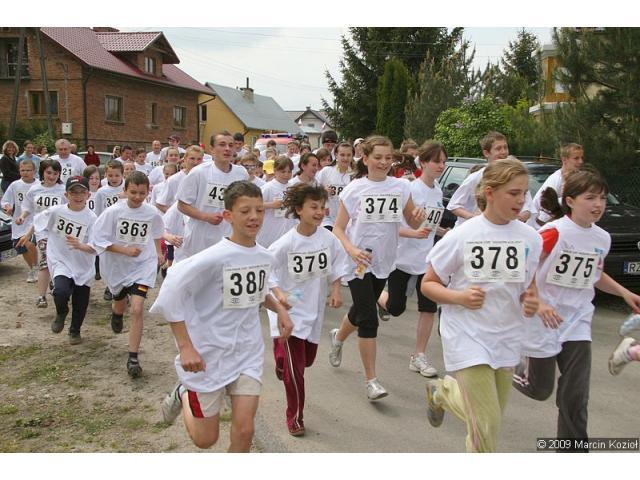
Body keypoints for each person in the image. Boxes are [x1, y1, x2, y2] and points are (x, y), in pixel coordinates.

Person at [150, 181, 294, 452]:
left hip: (247, 352)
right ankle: (183, 392)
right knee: (206, 439)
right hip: (208, 353)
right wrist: (185, 346)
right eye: (245, 211)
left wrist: (281, 310)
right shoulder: (211, 258)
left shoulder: (264, 256)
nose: (254, 217)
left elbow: (257, 290)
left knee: (245, 430)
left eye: (259, 210)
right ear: (228, 216)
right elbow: (170, 291)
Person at [513, 168, 640, 450]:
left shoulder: (602, 238)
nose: (598, 205)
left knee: (576, 396)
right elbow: (523, 269)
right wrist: (538, 302)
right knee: (539, 389)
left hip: (578, 321)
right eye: (590, 198)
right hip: (543, 319)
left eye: (603, 198)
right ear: (570, 201)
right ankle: (506, 365)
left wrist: (624, 293)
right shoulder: (553, 233)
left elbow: (594, 273)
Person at [421, 157, 542, 453]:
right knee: (487, 424)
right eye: (513, 193)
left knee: (486, 421)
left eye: (524, 193)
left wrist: (531, 300)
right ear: (490, 192)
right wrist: (460, 297)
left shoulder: (531, 238)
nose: (521, 200)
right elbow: (428, 283)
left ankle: (442, 392)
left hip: (507, 335)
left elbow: (528, 285)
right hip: (468, 334)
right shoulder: (463, 234)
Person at [328, 135, 427, 400]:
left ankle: (338, 337)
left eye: (388, 157)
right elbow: (338, 228)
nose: (383, 162)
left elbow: (411, 222)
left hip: (384, 261)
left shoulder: (401, 187)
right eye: (378, 157)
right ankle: (371, 381)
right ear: (365, 158)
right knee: (369, 319)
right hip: (358, 262)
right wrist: (351, 250)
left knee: (360, 311)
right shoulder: (355, 189)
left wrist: (418, 218)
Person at [268, 183, 347, 435]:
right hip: (290, 310)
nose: (320, 212)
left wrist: (336, 290)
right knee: (296, 372)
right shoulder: (286, 243)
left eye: (322, 207)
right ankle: (295, 417)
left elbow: (338, 263)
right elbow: (266, 269)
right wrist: (279, 294)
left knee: (307, 361)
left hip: (313, 307)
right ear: (299, 209)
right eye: (313, 207)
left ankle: (281, 357)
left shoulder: (328, 238)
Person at [376, 141, 448, 378]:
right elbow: (392, 225)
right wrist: (414, 233)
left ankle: (419, 356)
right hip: (403, 257)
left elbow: (430, 225)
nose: (441, 165)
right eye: (436, 161)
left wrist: (445, 233)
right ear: (423, 162)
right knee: (396, 308)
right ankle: (378, 296)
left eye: (444, 161)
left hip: (427, 259)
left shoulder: (438, 191)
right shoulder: (409, 189)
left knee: (428, 307)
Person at [90, 171, 164, 378]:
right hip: (117, 266)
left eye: (142, 193)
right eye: (133, 192)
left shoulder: (152, 212)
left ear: (148, 192)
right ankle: (116, 311)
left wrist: (158, 252)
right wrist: (124, 250)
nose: (137, 197)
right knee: (120, 302)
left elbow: (157, 233)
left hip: (142, 264)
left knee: (137, 308)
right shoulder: (113, 212)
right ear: (125, 191)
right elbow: (98, 240)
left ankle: (133, 358)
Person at [35, 176, 97, 344]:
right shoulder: (56, 211)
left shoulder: (92, 218)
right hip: (60, 260)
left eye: (82, 192)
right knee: (60, 291)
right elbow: (38, 222)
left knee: (80, 301)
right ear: (66, 195)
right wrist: (32, 235)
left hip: (83, 265)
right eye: (73, 192)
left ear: (88, 195)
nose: (78, 196)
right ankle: (61, 312)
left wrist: (80, 246)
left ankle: (75, 331)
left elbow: (96, 247)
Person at [176, 131, 248, 259]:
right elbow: (182, 205)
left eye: (231, 145)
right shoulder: (199, 173)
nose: (227, 149)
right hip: (201, 238)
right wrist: (206, 216)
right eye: (222, 144)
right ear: (212, 149)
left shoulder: (241, 173)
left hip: (229, 236)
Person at [446, 132, 533, 226]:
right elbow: (454, 205)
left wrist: (512, 218)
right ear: (486, 153)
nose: (503, 152)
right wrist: (474, 218)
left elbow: (528, 210)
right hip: (473, 231)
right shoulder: (476, 177)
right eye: (498, 148)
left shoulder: (515, 178)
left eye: (505, 147)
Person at [16, 159, 67, 308]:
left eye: (55, 173)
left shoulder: (63, 190)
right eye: (48, 173)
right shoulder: (34, 189)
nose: (52, 176)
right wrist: (22, 217)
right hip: (42, 231)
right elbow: (28, 207)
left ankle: (56, 282)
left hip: (59, 231)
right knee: (45, 258)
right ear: (42, 172)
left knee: (57, 260)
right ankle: (42, 296)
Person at [530, 143, 584, 228]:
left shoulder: (580, 178)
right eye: (576, 158)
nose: (581, 161)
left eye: (581, 158)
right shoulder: (555, 180)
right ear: (564, 159)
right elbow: (542, 218)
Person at [1, 158, 38, 282]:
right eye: (23, 170)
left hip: (34, 220)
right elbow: (5, 200)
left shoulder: (39, 185)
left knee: (29, 243)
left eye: (28, 170)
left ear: (34, 171)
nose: (25, 173)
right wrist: (7, 206)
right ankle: (32, 268)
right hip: (19, 221)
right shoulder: (15, 185)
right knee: (22, 247)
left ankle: (36, 266)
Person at [257, 156, 295, 248]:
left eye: (289, 171)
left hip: (287, 228)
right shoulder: (268, 187)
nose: (286, 174)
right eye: (283, 172)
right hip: (270, 229)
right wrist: (271, 205)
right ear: (275, 171)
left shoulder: (293, 188)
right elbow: (254, 205)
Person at [315, 141, 354, 231]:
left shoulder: (356, 175)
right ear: (336, 155)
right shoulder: (326, 171)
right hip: (328, 219)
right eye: (342, 155)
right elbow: (313, 191)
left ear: (352, 156)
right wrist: (322, 192)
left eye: (348, 155)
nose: (345, 158)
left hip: (348, 221)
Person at [156, 146, 203, 214]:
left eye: (199, 159)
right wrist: (175, 216)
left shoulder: (205, 178)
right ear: (185, 159)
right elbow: (160, 204)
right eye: (192, 158)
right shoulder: (174, 180)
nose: (195, 162)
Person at [83, 165, 102, 279]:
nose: (94, 181)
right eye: (91, 178)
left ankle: (98, 268)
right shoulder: (82, 193)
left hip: (99, 224)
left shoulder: (102, 192)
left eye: (97, 178)